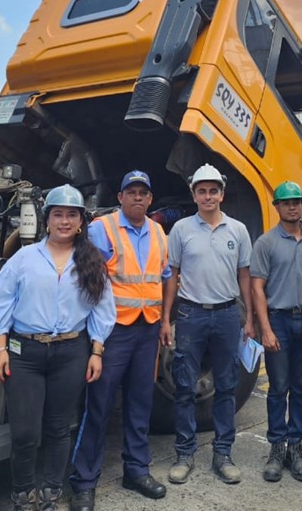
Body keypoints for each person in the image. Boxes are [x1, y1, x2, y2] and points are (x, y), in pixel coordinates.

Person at [0, 184, 116, 511]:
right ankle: (23, 494)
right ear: (47, 220)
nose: (65, 221)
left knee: (58, 428)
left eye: (72, 215)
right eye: (58, 214)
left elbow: (103, 308)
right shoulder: (24, 259)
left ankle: (50, 494)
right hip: (25, 353)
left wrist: (96, 351)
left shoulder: (91, 261)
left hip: (71, 352)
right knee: (25, 431)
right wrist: (0, 349)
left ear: (81, 221)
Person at [69, 171, 169, 510]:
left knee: (141, 403)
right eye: (131, 192)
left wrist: (165, 320)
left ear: (150, 199)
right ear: (121, 197)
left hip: (147, 329)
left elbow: (166, 276)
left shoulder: (158, 231)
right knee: (98, 406)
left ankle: (136, 470)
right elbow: (87, 280)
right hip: (113, 331)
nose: (138, 197)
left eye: (143, 192)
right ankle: (84, 482)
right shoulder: (103, 228)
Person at [161, 163, 254, 486]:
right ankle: (185, 455)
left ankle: (223, 454)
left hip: (228, 315)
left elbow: (245, 276)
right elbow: (171, 275)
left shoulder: (238, 230)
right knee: (184, 387)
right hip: (190, 315)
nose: (208, 196)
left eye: (213, 190)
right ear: (194, 194)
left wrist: (251, 317)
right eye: (202, 191)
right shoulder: (181, 230)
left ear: (222, 194)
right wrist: (165, 317)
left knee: (226, 386)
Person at [251, 181, 302, 483]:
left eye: (297, 202)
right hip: (279, 322)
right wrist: (265, 329)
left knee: (301, 388)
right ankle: (276, 448)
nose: (293, 207)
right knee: (277, 388)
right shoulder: (266, 243)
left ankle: (295, 447)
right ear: (277, 207)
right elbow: (257, 288)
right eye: (286, 203)